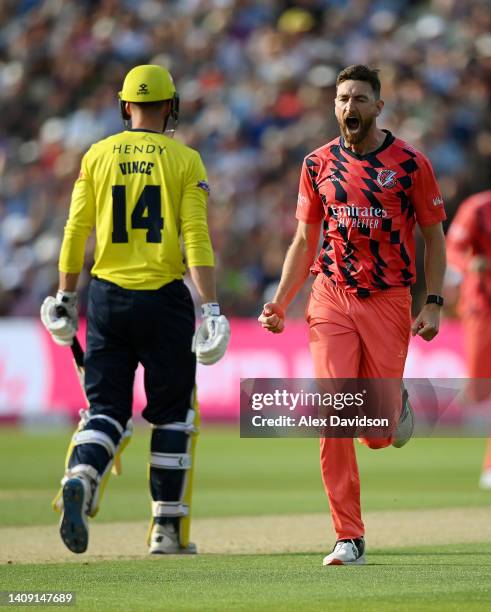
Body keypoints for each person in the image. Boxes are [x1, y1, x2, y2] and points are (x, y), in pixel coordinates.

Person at [258, 65, 446, 565]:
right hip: (331, 296)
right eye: (343, 99)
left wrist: (433, 301)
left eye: (360, 99)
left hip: (389, 301)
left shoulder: (410, 164)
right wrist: (280, 301)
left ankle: (394, 406)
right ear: (334, 105)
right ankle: (349, 535)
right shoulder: (317, 163)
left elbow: (434, 238)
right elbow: (304, 241)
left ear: (378, 107)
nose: (350, 107)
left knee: (376, 433)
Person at [40, 64, 230, 555]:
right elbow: (195, 238)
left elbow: (76, 230)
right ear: (171, 106)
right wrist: (210, 307)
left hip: (105, 297)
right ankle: (166, 531)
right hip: (163, 299)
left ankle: (81, 474)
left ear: (126, 106)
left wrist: (64, 294)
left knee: (105, 411)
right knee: (173, 414)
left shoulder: (97, 154)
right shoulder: (186, 159)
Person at [445, 190, 491, 489]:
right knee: (478, 389)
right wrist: (469, 265)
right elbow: (453, 249)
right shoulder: (477, 208)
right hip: (482, 307)